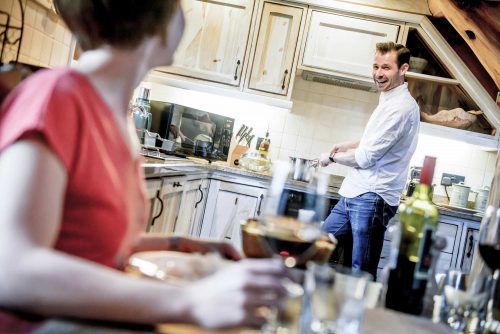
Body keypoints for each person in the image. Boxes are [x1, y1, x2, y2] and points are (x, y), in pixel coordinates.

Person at [0, 1, 287, 332]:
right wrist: (192, 301)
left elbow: (87, 247)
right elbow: (11, 268)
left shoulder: (113, 116)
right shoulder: (56, 95)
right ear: (160, 25)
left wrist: (178, 243)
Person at [320, 42, 420, 280]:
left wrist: (333, 158)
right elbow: (372, 141)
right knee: (317, 245)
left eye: (386, 67)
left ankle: (361, 316)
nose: (378, 73)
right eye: (375, 66)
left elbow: (366, 158)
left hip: (372, 197)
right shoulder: (388, 100)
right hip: (355, 193)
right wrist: (347, 145)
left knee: (361, 272)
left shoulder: (400, 108)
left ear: (403, 69)